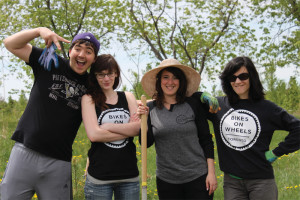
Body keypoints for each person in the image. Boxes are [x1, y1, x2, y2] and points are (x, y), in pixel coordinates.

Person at [1, 27, 100, 199]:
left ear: (94, 59)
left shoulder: (92, 86)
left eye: (89, 51)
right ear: (70, 51)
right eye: (78, 49)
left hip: (59, 162)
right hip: (25, 154)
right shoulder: (50, 61)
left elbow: (114, 101)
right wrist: (39, 31)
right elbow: (10, 44)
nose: (82, 55)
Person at [202, 56, 300, 200]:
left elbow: (298, 128)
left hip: (261, 182)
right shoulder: (218, 106)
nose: (237, 81)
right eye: (232, 77)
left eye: (243, 76)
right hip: (232, 183)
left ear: (252, 77)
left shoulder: (267, 108)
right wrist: (202, 96)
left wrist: (277, 152)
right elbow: (190, 104)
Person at [137, 58, 217, 200]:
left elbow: (206, 140)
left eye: (175, 78)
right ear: (159, 81)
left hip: (198, 177)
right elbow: (145, 143)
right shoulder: (151, 109)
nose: (170, 82)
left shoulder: (193, 104)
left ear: (181, 82)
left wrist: (211, 173)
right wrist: (143, 120)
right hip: (167, 180)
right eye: (166, 77)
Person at [81, 54, 141, 200]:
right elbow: (94, 135)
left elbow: (138, 129)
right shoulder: (88, 99)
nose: (106, 79)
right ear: (94, 76)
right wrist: (128, 130)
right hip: (99, 178)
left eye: (110, 73)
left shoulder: (128, 97)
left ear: (116, 73)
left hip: (129, 176)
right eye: (101, 75)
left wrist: (108, 126)